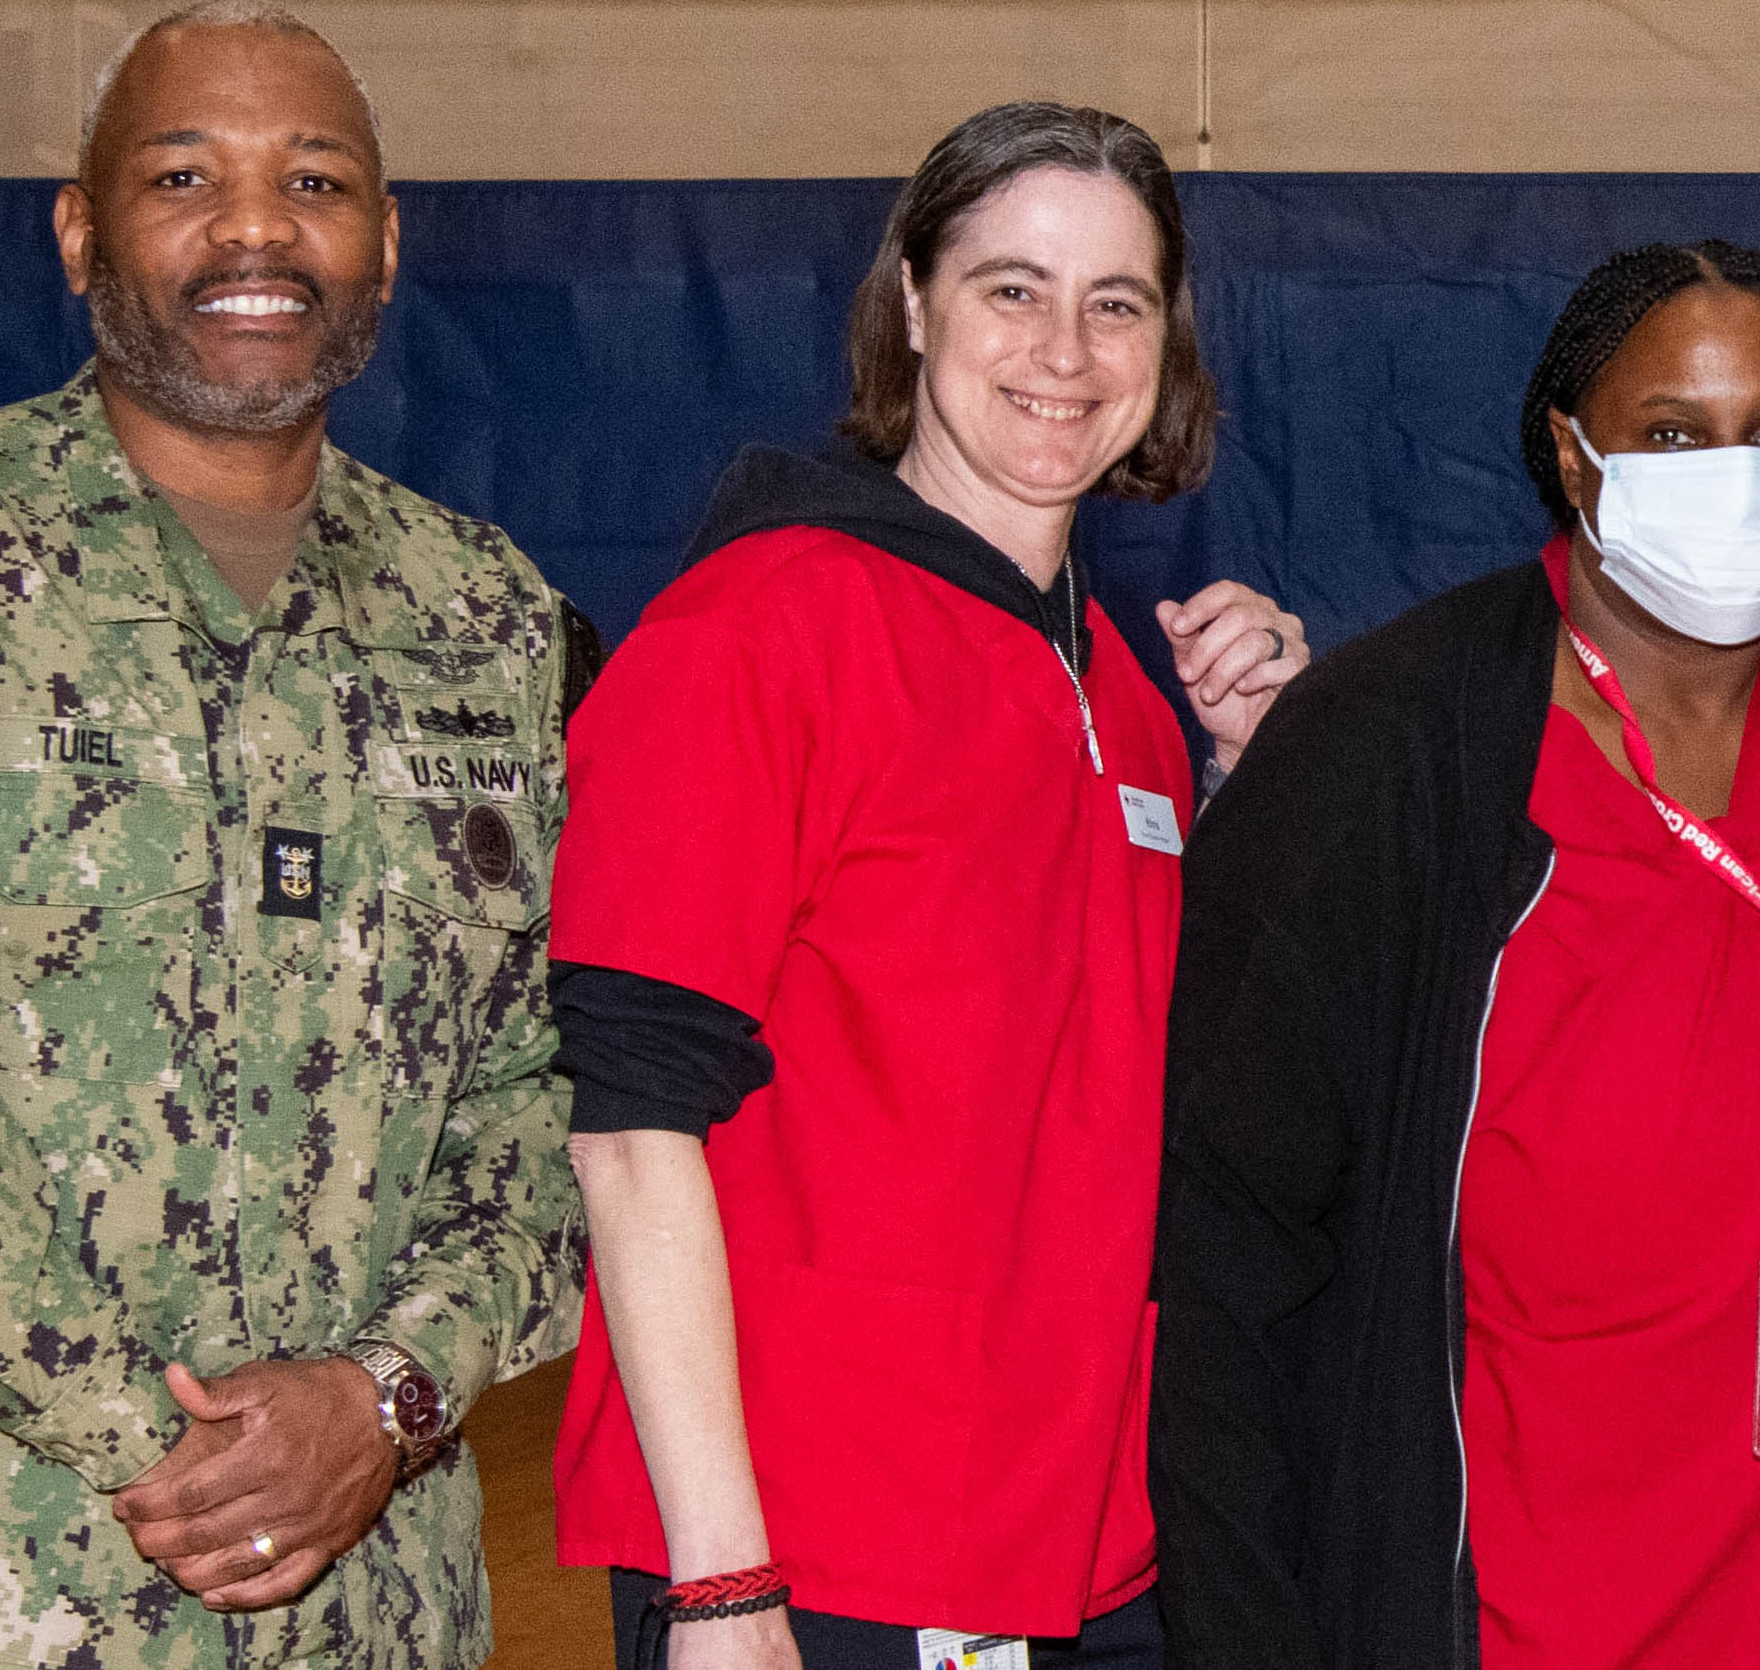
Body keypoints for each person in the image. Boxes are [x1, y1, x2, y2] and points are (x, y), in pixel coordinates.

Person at [0, 0, 581, 1666]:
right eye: (181, 175)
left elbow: (545, 1094)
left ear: (384, 241)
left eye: (315, 181)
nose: (254, 228)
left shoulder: (492, 625)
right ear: (84, 232)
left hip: (362, 1606)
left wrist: (381, 1397)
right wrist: (185, 1447)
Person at [543, 102, 1305, 1667]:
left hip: (1088, 1542)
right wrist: (723, 1587)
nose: (1066, 350)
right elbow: (628, 1132)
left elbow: (1136, 1085)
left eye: (1118, 302)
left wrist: (1250, 783)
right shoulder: (753, 635)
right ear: (910, 305)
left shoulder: (1127, 697)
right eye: (1009, 288)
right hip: (820, 1553)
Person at [1157, 242, 1760, 1667]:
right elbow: (1222, 1288)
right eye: (1671, 432)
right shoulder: (1388, 757)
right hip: (1512, 1626)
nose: (1734, 470)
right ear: (1574, 454)